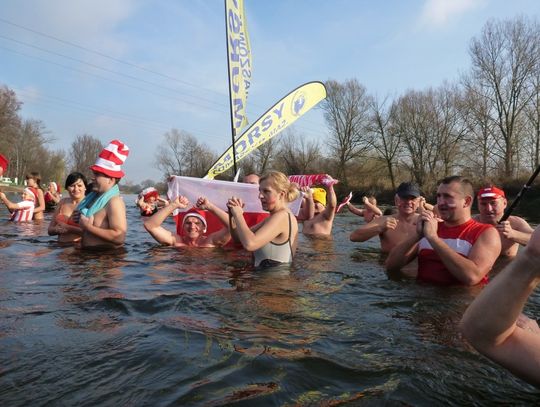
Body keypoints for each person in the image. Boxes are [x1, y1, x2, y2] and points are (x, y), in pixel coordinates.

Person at [460, 225, 540, 388]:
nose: (489, 207)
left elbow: (483, 334)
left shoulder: (512, 223)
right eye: (483, 202)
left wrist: (531, 252)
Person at [386, 176, 501, 285]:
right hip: (422, 300)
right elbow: (391, 265)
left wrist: (433, 239)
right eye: (439, 196)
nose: (440, 203)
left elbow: (472, 277)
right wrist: (417, 235)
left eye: (447, 197)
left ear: (466, 201)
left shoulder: (486, 233)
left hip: (460, 303)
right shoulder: (430, 227)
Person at [227, 170, 299, 267]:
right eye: (260, 191)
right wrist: (232, 214)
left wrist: (239, 215)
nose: (260, 196)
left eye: (266, 191)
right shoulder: (273, 217)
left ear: (281, 194)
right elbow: (238, 239)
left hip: (272, 281)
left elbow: (250, 244)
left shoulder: (282, 216)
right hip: (264, 279)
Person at [75, 140, 129, 249]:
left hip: (106, 259)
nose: (92, 177)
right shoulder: (95, 197)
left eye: (97, 174)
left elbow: (119, 237)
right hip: (90, 255)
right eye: (94, 173)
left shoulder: (114, 202)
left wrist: (87, 227)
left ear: (111, 180)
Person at [350, 182, 421, 253]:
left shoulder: (424, 222)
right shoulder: (383, 221)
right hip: (387, 261)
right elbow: (353, 237)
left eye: (413, 198)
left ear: (418, 202)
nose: (409, 202)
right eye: (404, 198)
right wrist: (380, 228)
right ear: (396, 200)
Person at [144, 196, 230, 247]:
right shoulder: (176, 241)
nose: (192, 227)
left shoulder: (210, 241)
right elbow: (149, 225)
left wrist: (210, 207)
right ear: (183, 226)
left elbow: (232, 226)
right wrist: (174, 205)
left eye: (197, 223)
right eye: (188, 223)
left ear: (204, 227)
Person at [473, 185, 534, 257]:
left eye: (493, 203)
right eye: (483, 204)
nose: (489, 209)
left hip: (508, 267)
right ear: (478, 205)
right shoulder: (471, 224)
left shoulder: (516, 223)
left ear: (504, 203)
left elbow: (537, 241)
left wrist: (513, 234)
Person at [47, 172, 87, 243]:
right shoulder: (62, 202)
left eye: (79, 185)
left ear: (85, 187)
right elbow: (49, 230)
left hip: (78, 247)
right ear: (67, 188)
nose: (76, 189)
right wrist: (56, 230)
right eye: (72, 186)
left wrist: (69, 228)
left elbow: (91, 233)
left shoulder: (89, 204)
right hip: (59, 246)